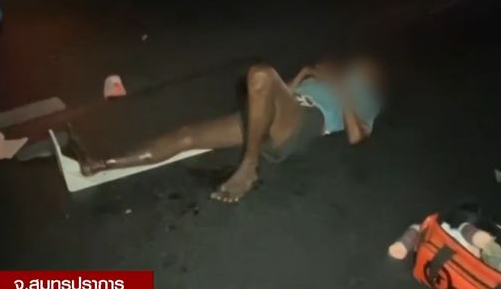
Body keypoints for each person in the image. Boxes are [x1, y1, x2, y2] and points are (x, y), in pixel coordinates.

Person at [69, 56, 386, 203]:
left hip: (303, 123)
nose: (358, 65)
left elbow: (358, 135)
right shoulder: (327, 79)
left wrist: (340, 87)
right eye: (357, 64)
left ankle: (250, 165)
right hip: (278, 114)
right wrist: (304, 75)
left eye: (366, 67)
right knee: (187, 135)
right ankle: (99, 163)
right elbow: (279, 95)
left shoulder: (368, 98)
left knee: (261, 74)